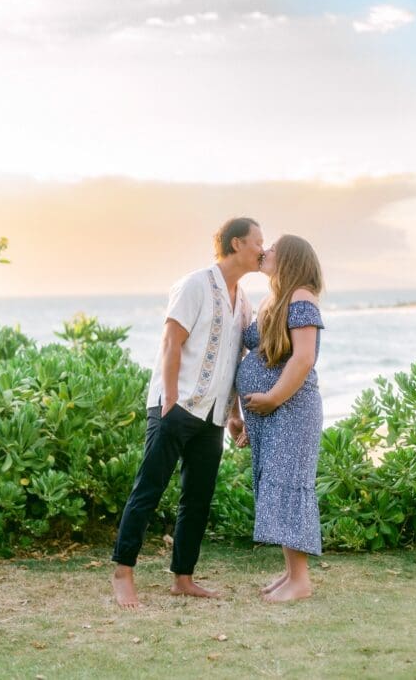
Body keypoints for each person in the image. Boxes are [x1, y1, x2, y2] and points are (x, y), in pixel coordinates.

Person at [111, 217, 263, 609]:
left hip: (212, 416)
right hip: (175, 407)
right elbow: (171, 340)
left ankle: (183, 577)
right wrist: (171, 398)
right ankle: (123, 573)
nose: (262, 250)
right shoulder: (195, 284)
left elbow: (234, 359)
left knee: (197, 497)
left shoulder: (243, 300)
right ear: (235, 244)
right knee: (149, 488)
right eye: (257, 242)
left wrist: (233, 413)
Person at [235, 234, 324, 603]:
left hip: (292, 409)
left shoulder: (301, 297)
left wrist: (271, 398)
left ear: (288, 259)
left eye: (272, 248)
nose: (265, 251)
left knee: (288, 486)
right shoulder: (277, 300)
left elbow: (304, 358)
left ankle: (300, 581)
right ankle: (290, 573)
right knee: (276, 485)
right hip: (273, 415)